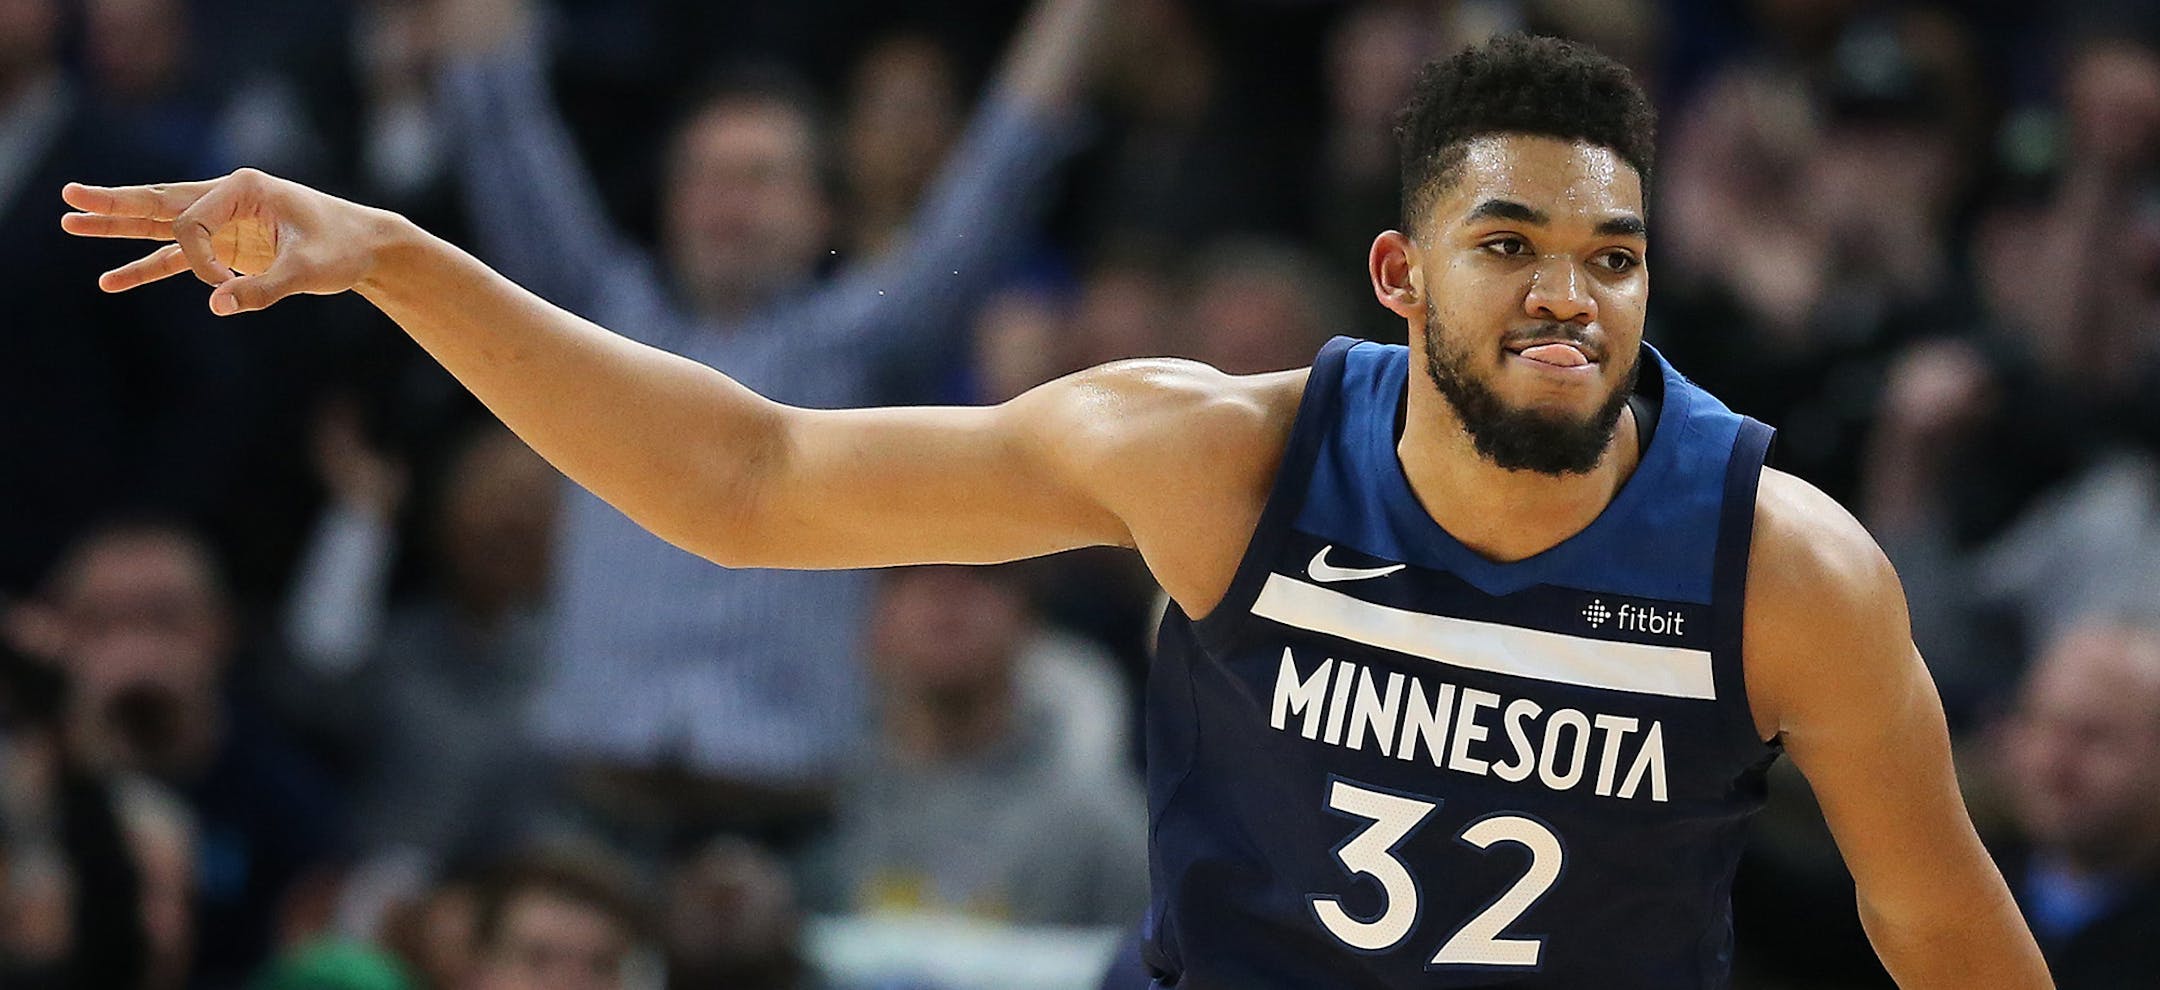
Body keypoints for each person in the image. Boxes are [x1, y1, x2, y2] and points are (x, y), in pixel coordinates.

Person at [60, 31, 2050, 990]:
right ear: (1396, 277)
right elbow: (747, 481)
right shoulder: (1217, 456)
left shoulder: (1776, 564)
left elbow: (1943, 921)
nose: (1563, 293)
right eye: (1509, 242)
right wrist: (401, 257)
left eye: (1609, 256)